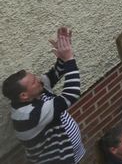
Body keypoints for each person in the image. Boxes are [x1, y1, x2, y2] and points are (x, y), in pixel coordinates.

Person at [5, 28, 83, 164]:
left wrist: (63, 55)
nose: (39, 80)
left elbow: (56, 73)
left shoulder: (36, 92)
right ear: (23, 95)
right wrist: (69, 58)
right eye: (34, 81)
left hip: (74, 155)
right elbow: (71, 94)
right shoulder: (29, 114)